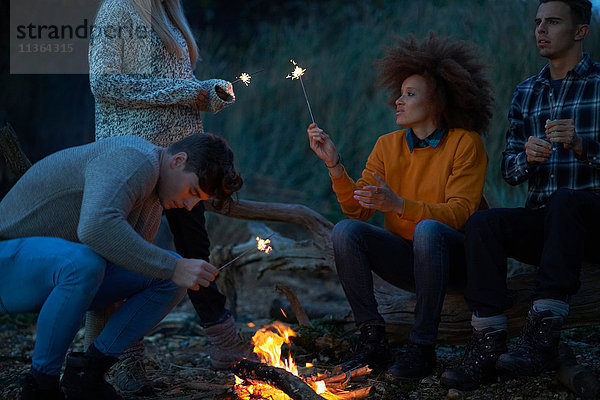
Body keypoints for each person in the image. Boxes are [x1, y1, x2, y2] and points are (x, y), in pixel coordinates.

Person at [0, 133, 243, 399]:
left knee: (170, 276)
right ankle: (40, 386)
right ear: (178, 160)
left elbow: (123, 258)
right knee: (97, 264)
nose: (188, 205)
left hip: (53, 273)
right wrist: (173, 267)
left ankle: (88, 372)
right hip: (8, 263)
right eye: (192, 192)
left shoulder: (153, 198)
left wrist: (174, 269)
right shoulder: (134, 159)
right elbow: (95, 228)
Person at [306, 34, 492, 380]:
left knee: (429, 228)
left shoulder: (465, 143)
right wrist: (334, 165)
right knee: (346, 231)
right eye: (400, 92)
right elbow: (356, 211)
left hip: (458, 260)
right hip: (410, 260)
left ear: (437, 103)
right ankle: (373, 340)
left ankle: (422, 348)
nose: (398, 101)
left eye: (410, 94)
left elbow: (460, 213)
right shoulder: (387, 146)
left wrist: (399, 204)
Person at [88, 0, 246, 394]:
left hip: (180, 156)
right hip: (133, 155)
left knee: (196, 246)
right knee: (128, 253)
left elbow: (174, 86)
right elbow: (104, 82)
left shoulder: (169, 12)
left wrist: (207, 94)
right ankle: (125, 360)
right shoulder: (120, 9)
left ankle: (225, 342)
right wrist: (187, 90)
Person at [441, 0, 600, 391]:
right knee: (484, 223)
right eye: (537, 22)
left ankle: (542, 336)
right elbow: (508, 171)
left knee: (567, 200)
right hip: (548, 223)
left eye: (553, 22)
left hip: (594, 220)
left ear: (580, 31)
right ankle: (487, 343)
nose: (540, 30)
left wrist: (583, 146)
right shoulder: (527, 91)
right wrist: (526, 159)